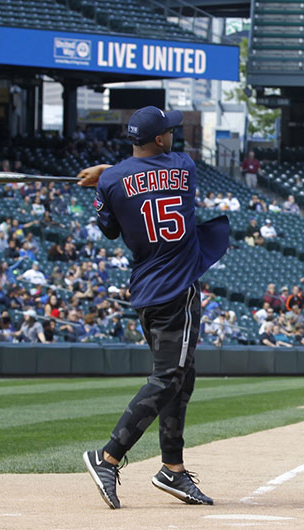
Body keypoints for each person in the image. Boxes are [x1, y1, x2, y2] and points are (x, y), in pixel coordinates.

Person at [77, 106, 229, 509]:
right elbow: (151, 176)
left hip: (146, 289)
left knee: (182, 378)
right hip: (176, 290)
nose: (173, 135)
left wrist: (105, 177)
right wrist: (110, 172)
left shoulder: (111, 181)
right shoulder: (184, 166)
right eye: (169, 131)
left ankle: (173, 470)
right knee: (169, 377)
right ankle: (108, 456)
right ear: (160, 139)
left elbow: (110, 227)